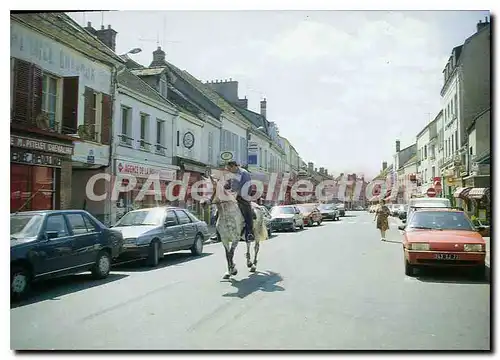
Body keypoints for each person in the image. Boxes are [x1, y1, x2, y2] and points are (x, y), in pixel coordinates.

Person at [224, 160, 255, 241]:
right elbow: (228, 184)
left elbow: (246, 185)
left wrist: (237, 194)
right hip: (232, 196)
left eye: (229, 168)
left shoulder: (244, 173)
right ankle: (219, 233)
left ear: (234, 166)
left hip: (243, 197)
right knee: (220, 209)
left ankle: (249, 233)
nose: (229, 170)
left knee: (247, 212)